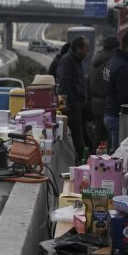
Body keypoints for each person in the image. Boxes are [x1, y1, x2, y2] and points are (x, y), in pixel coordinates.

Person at [102, 30, 128, 150]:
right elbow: (125, 98)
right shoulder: (123, 67)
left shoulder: (112, 61)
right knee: (118, 160)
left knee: (112, 156)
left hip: (109, 113)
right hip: (118, 119)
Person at [56, 36, 89, 164]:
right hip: (71, 106)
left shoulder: (77, 61)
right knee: (76, 134)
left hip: (77, 104)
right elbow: (64, 83)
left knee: (78, 133)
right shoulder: (67, 60)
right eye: (85, 49)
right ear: (78, 48)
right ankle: (82, 162)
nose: (87, 53)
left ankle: (81, 160)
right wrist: (65, 106)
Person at [88, 36, 119, 150]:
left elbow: (88, 81)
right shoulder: (111, 61)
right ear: (114, 48)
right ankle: (108, 162)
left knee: (98, 134)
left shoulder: (94, 59)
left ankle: (93, 160)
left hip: (95, 102)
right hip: (107, 102)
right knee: (111, 135)